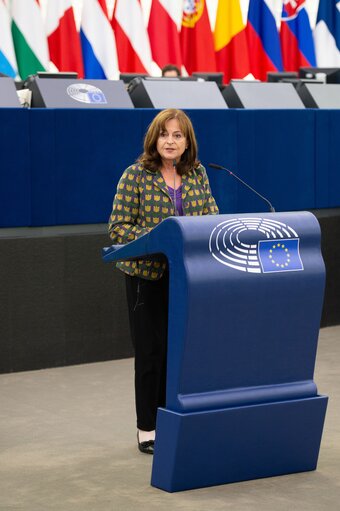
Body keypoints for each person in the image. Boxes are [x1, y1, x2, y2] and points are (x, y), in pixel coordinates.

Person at [108, 109, 218, 454]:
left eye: (178, 135)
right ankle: (148, 429)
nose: (170, 141)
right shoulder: (135, 175)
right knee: (151, 352)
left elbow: (211, 218)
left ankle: (177, 418)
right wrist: (163, 237)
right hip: (147, 278)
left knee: (182, 352)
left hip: (188, 277)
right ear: (154, 139)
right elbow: (118, 228)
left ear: (188, 143)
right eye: (165, 135)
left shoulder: (198, 174)